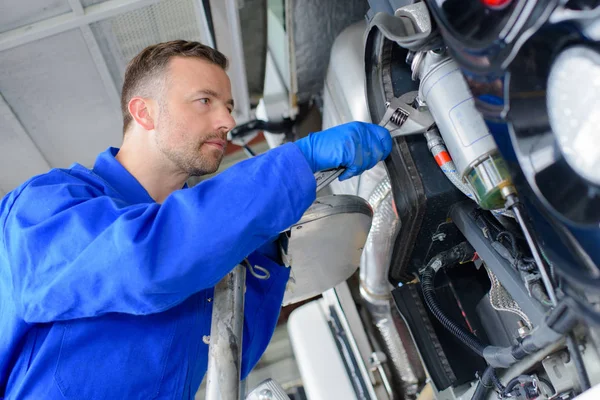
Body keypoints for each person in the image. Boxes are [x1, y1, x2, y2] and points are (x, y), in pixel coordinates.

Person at [0, 40, 392, 399]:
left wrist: (269, 251)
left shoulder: (205, 246)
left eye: (229, 107)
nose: (226, 121)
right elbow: (144, 258)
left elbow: (232, 351)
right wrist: (296, 164)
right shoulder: (45, 203)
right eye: (205, 101)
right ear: (144, 112)